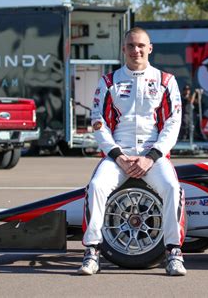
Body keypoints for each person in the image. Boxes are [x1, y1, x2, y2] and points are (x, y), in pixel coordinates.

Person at [78, 27, 186, 276]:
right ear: (123, 49)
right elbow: (98, 123)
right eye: (130, 46)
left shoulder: (166, 81)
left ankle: (173, 253)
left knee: (172, 188)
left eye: (140, 46)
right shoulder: (109, 81)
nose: (135, 50)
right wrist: (119, 156)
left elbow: (173, 123)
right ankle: (92, 251)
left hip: (153, 155)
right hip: (118, 155)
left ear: (150, 48)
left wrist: (152, 157)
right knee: (96, 187)